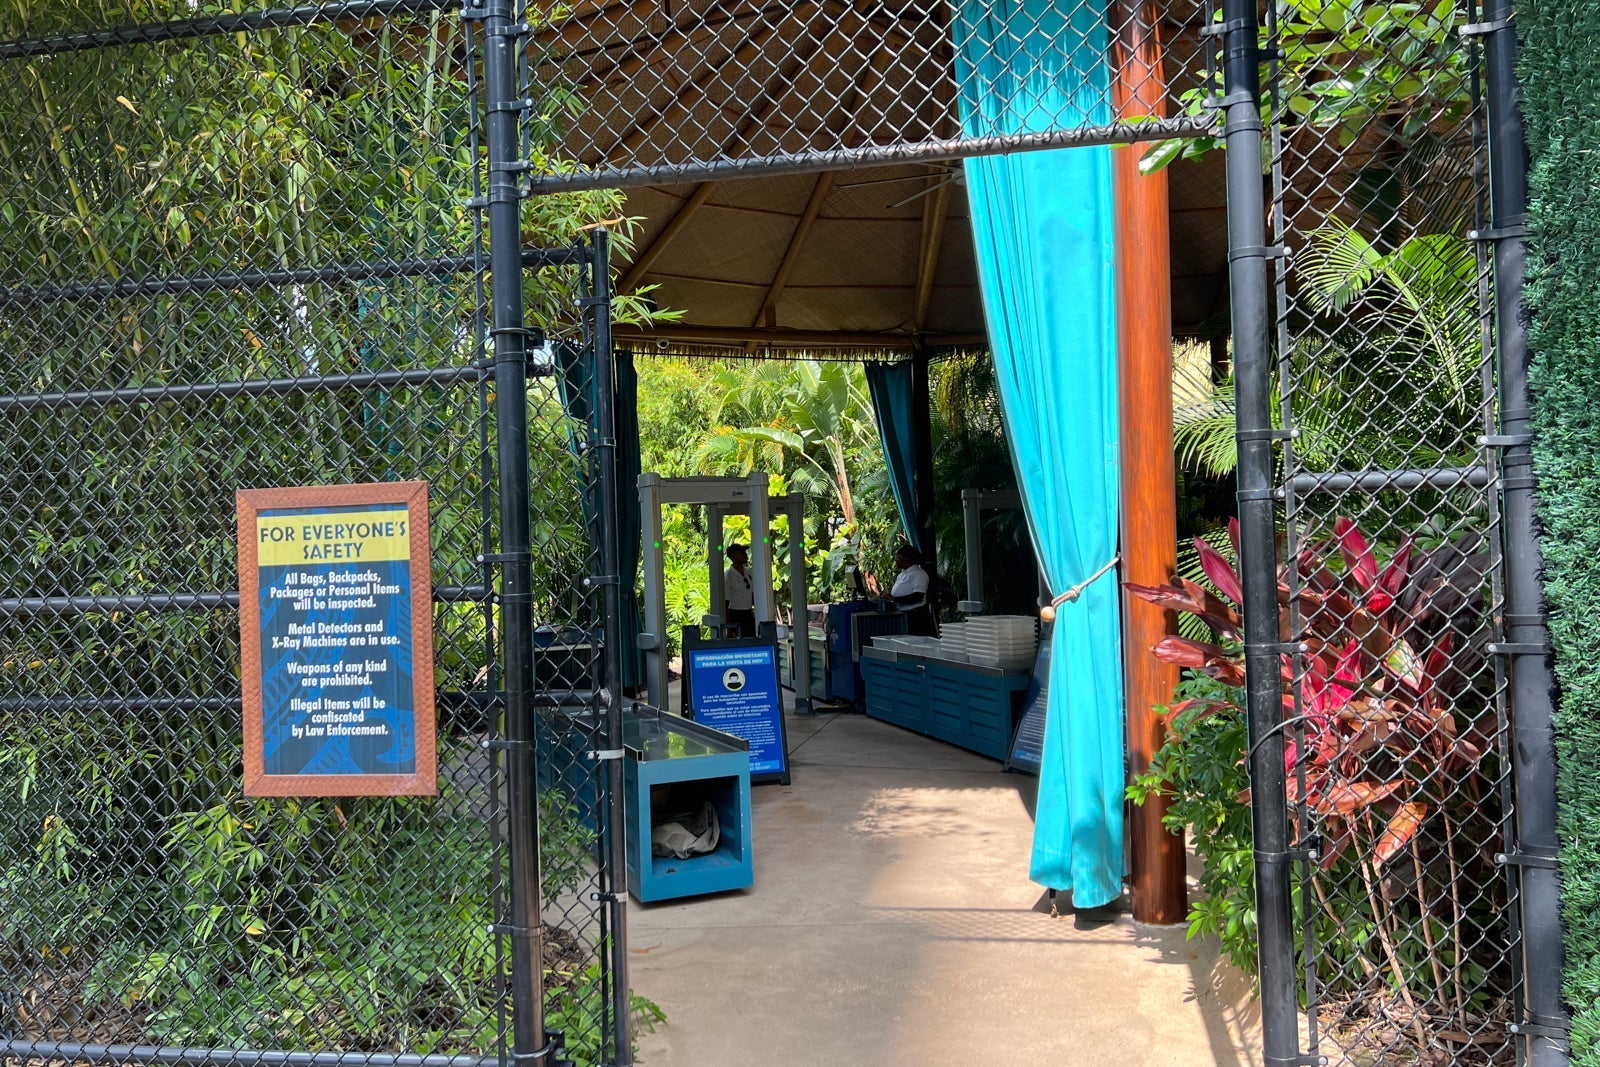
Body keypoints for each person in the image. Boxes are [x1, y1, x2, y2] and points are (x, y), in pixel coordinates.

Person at [890, 544, 937, 637]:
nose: (896, 561)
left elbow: (918, 597)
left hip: (916, 617)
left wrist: (894, 599)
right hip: (904, 615)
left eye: (898, 558)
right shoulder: (902, 574)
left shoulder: (918, 574)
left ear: (906, 559)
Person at [723, 542, 756, 637]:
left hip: (749, 613)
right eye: (741, 553)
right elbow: (726, 604)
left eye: (745, 552)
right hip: (736, 614)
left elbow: (753, 595)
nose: (745, 555)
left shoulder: (749, 572)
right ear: (733, 556)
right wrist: (729, 627)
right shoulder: (728, 576)